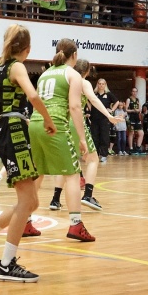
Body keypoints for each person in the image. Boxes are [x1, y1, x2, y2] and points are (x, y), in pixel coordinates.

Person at [0, 25, 55, 282]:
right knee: (27, 202)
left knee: (31, 202)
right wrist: (47, 119)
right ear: (27, 49)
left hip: (5, 130)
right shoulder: (17, 67)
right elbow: (33, 95)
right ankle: (6, 265)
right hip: (14, 133)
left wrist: (3, 116)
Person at [45, 56, 113, 219]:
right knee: (93, 159)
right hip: (76, 123)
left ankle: (55, 199)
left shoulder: (66, 80)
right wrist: (109, 116)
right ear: (87, 71)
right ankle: (88, 195)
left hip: (61, 121)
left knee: (65, 164)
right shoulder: (82, 82)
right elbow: (93, 99)